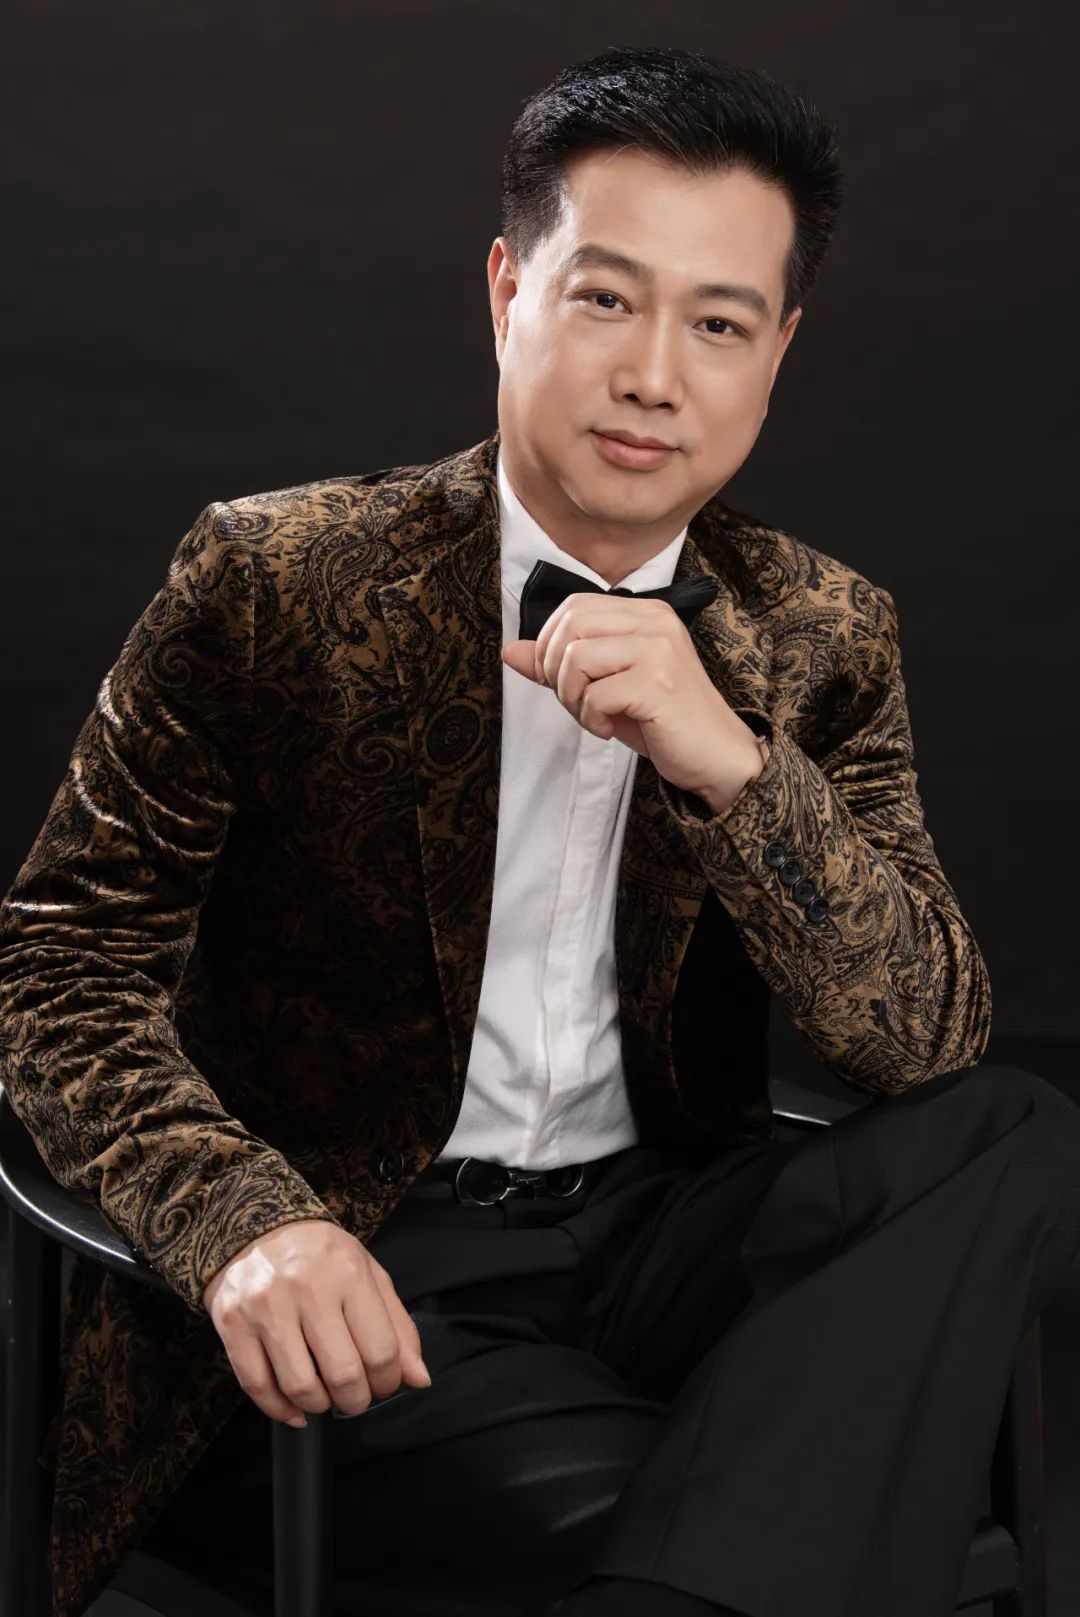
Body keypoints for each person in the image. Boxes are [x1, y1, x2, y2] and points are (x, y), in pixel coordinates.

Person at [1, 42, 1079, 1617]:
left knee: (1014, 1126)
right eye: (605, 299)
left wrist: (734, 767)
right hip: (370, 1260)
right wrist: (244, 1224)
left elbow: (925, 1038)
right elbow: (55, 972)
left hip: (659, 1232)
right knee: (768, 1506)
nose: (656, 375)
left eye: (719, 324)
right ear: (508, 293)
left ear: (778, 351)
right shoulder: (271, 579)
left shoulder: (821, 628)